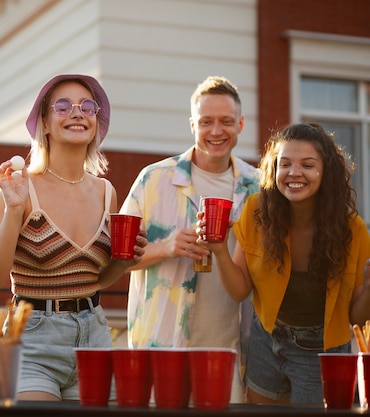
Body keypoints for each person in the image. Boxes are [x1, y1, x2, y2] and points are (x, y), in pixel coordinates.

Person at [0, 74, 146, 401]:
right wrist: (13, 211)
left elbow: (93, 279)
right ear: (45, 123)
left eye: (88, 107)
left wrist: (124, 263)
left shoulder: (106, 192)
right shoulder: (21, 187)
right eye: (64, 106)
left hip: (94, 335)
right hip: (31, 339)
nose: (78, 113)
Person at [197, 122, 370, 405]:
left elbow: (356, 317)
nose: (294, 173)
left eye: (308, 165)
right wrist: (218, 251)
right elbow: (240, 290)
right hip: (268, 337)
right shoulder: (257, 211)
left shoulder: (352, 230)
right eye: (285, 163)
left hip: (321, 350)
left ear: (326, 172)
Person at [120, 75, 259, 403]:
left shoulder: (258, 186)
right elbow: (117, 258)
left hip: (229, 352)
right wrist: (166, 247)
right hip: (160, 346)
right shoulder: (153, 180)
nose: (216, 131)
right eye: (206, 121)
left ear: (240, 124)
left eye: (226, 121)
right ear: (192, 124)